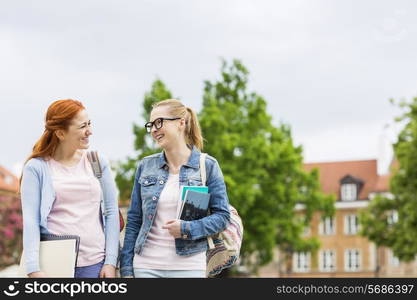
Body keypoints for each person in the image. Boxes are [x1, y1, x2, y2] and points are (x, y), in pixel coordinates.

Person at [120, 99, 231, 278]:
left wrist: (187, 228)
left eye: (159, 122)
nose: (154, 129)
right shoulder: (145, 166)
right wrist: (126, 270)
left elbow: (223, 217)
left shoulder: (207, 166)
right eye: (151, 125)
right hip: (145, 266)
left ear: (181, 123)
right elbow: (134, 220)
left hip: (189, 266)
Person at [20, 99, 120, 278]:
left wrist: (111, 262)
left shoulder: (97, 162)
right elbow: (31, 220)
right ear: (60, 133)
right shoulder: (36, 168)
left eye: (89, 123)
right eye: (82, 126)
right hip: (53, 265)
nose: (90, 131)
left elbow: (112, 211)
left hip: (95, 265)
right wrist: (33, 268)